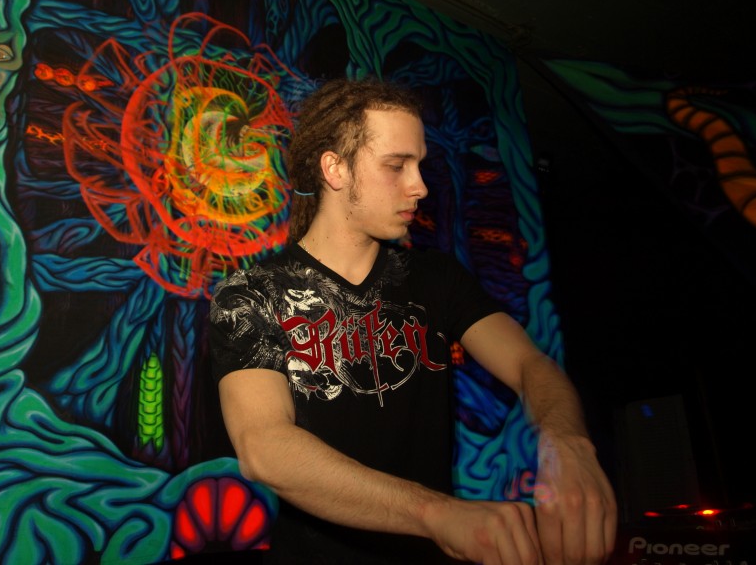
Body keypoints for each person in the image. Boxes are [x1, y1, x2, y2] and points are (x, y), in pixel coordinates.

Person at [209, 77, 617, 564]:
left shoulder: (437, 278)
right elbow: (265, 447)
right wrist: (435, 513)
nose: (419, 186)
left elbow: (531, 365)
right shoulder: (252, 294)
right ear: (335, 169)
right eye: (396, 165)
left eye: (419, 164)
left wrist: (568, 443)